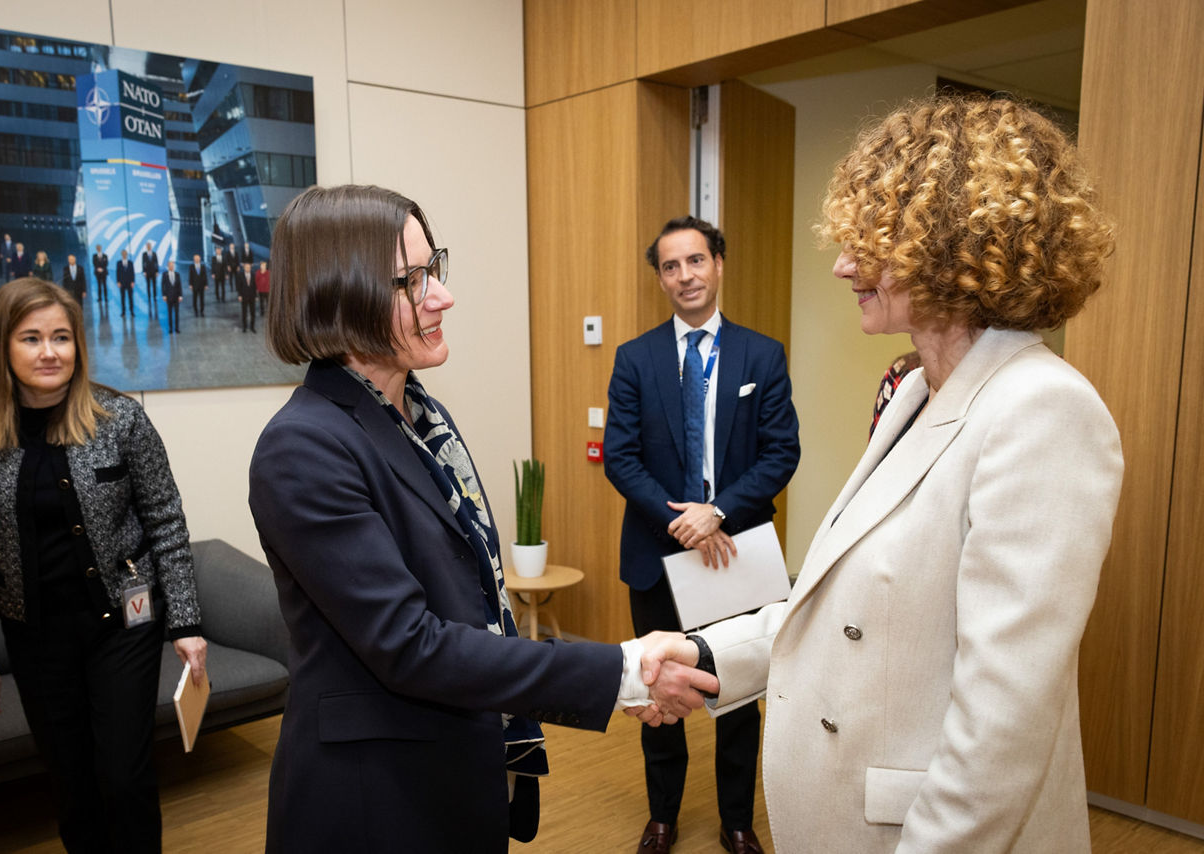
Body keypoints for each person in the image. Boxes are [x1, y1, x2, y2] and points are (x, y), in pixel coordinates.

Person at [638, 94, 1124, 853]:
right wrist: (706, 655)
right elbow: (842, 611)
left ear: (953, 248)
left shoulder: (1043, 411)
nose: (843, 264)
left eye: (871, 241)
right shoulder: (914, 394)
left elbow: (1001, 732)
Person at [248, 184, 715, 853]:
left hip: (456, 770)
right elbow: (411, 644)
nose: (441, 295)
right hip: (376, 802)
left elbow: (472, 599)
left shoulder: (423, 420)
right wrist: (617, 671)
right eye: (410, 280)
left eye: (434, 267)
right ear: (337, 293)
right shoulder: (303, 447)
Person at [0, 277, 208, 853]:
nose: (49, 352)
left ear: (78, 345)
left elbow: (166, 520)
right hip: (34, 636)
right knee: (71, 782)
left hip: (126, 624)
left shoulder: (122, 421)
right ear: (3, 349)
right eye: (31, 338)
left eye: (61, 337)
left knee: (123, 775)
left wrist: (185, 624)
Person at [603, 215, 800, 854]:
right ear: (659, 277)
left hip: (733, 552)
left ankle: (737, 823)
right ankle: (663, 818)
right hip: (657, 558)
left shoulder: (761, 355)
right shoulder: (635, 359)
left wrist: (715, 512)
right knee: (659, 691)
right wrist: (678, 518)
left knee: (737, 693)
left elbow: (780, 453)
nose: (685, 275)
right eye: (670, 266)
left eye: (695, 261)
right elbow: (621, 458)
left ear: (718, 263)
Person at [161, 259, 182, 334]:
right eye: (170, 266)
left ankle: (177, 328)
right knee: (169, 313)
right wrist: (164, 295)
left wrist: (180, 295)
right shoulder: (165, 274)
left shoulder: (177, 274)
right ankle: (170, 328)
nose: (171, 267)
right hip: (168, 297)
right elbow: (163, 285)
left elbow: (179, 285)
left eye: (172, 266)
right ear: (168, 266)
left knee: (176, 313)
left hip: (176, 297)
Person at [235, 260, 257, 332]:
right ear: (244, 268)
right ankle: (244, 327)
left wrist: (256, 296)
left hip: (252, 296)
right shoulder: (240, 275)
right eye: (246, 267)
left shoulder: (253, 274)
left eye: (249, 267)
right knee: (244, 312)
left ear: (250, 268)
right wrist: (239, 295)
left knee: (252, 312)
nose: (248, 268)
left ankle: (252, 327)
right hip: (244, 296)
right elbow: (238, 286)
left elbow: (255, 286)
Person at [116, 249, 136, 317]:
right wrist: (118, 281)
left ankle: (132, 311)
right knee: (122, 298)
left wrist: (133, 281)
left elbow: (132, 272)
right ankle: (123, 312)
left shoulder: (130, 263)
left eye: (125, 254)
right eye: (123, 254)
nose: (124, 255)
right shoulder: (118, 263)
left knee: (131, 298)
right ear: (122, 254)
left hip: (129, 283)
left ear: (127, 254)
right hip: (122, 283)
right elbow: (117, 273)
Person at [92, 244, 110, 309]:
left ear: (101, 248)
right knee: (99, 285)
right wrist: (98, 268)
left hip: (104, 272)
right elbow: (94, 263)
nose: (98, 248)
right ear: (96, 248)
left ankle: (106, 298)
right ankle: (100, 298)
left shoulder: (105, 256)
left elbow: (106, 263)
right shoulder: (94, 256)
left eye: (99, 247)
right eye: (97, 247)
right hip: (97, 273)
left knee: (104, 285)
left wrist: (102, 269)